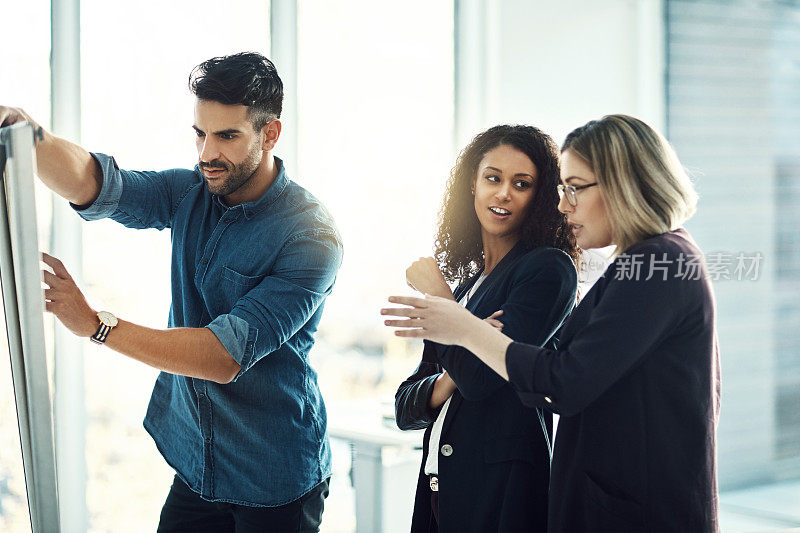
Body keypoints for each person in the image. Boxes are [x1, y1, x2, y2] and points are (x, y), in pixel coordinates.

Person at [0, 52, 341, 532]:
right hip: (197, 464)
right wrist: (29, 134)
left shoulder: (311, 236)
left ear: (270, 134)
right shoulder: (190, 194)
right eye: (200, 133)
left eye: (226, 136)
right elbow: (99, 184)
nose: (206, 153)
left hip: (274, 480)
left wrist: (97, 325)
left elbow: (223, 356)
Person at [384, 115, 720, 532]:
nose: (564, 205)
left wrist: (460, 325)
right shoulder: (646, 261)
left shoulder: (659, 263)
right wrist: (465, 332)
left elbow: (562, 383)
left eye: (574, 188)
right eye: (564, 190)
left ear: (621, 182)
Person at [394, 125, 579, 532]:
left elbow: (478, 378)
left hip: (503, 492)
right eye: (492, 178)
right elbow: (405, 406)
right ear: (472, 187)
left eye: (522, 183)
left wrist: (441, 300)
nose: (503, 193)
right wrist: (449, 374)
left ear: (540, 196)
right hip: (439, 485)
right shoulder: (469, 287)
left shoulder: (548, 270)